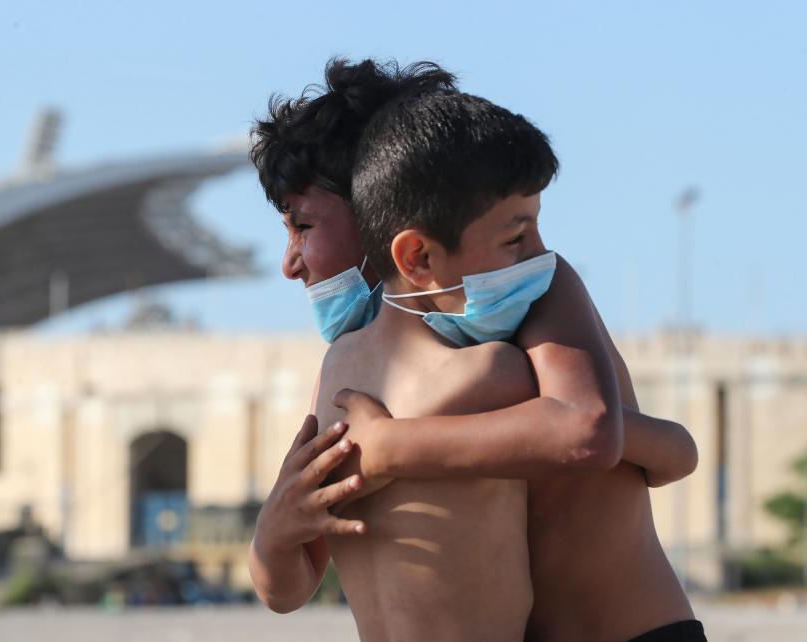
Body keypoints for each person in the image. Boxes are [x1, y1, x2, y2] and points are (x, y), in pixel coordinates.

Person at [248, 59, 703, 642]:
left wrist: (395, 446)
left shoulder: (531, 288)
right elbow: (291, 574)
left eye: (302, 225)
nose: (290, 262)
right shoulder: (349, 366)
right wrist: (275, 528)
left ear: (382, 202)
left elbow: (603, 434)